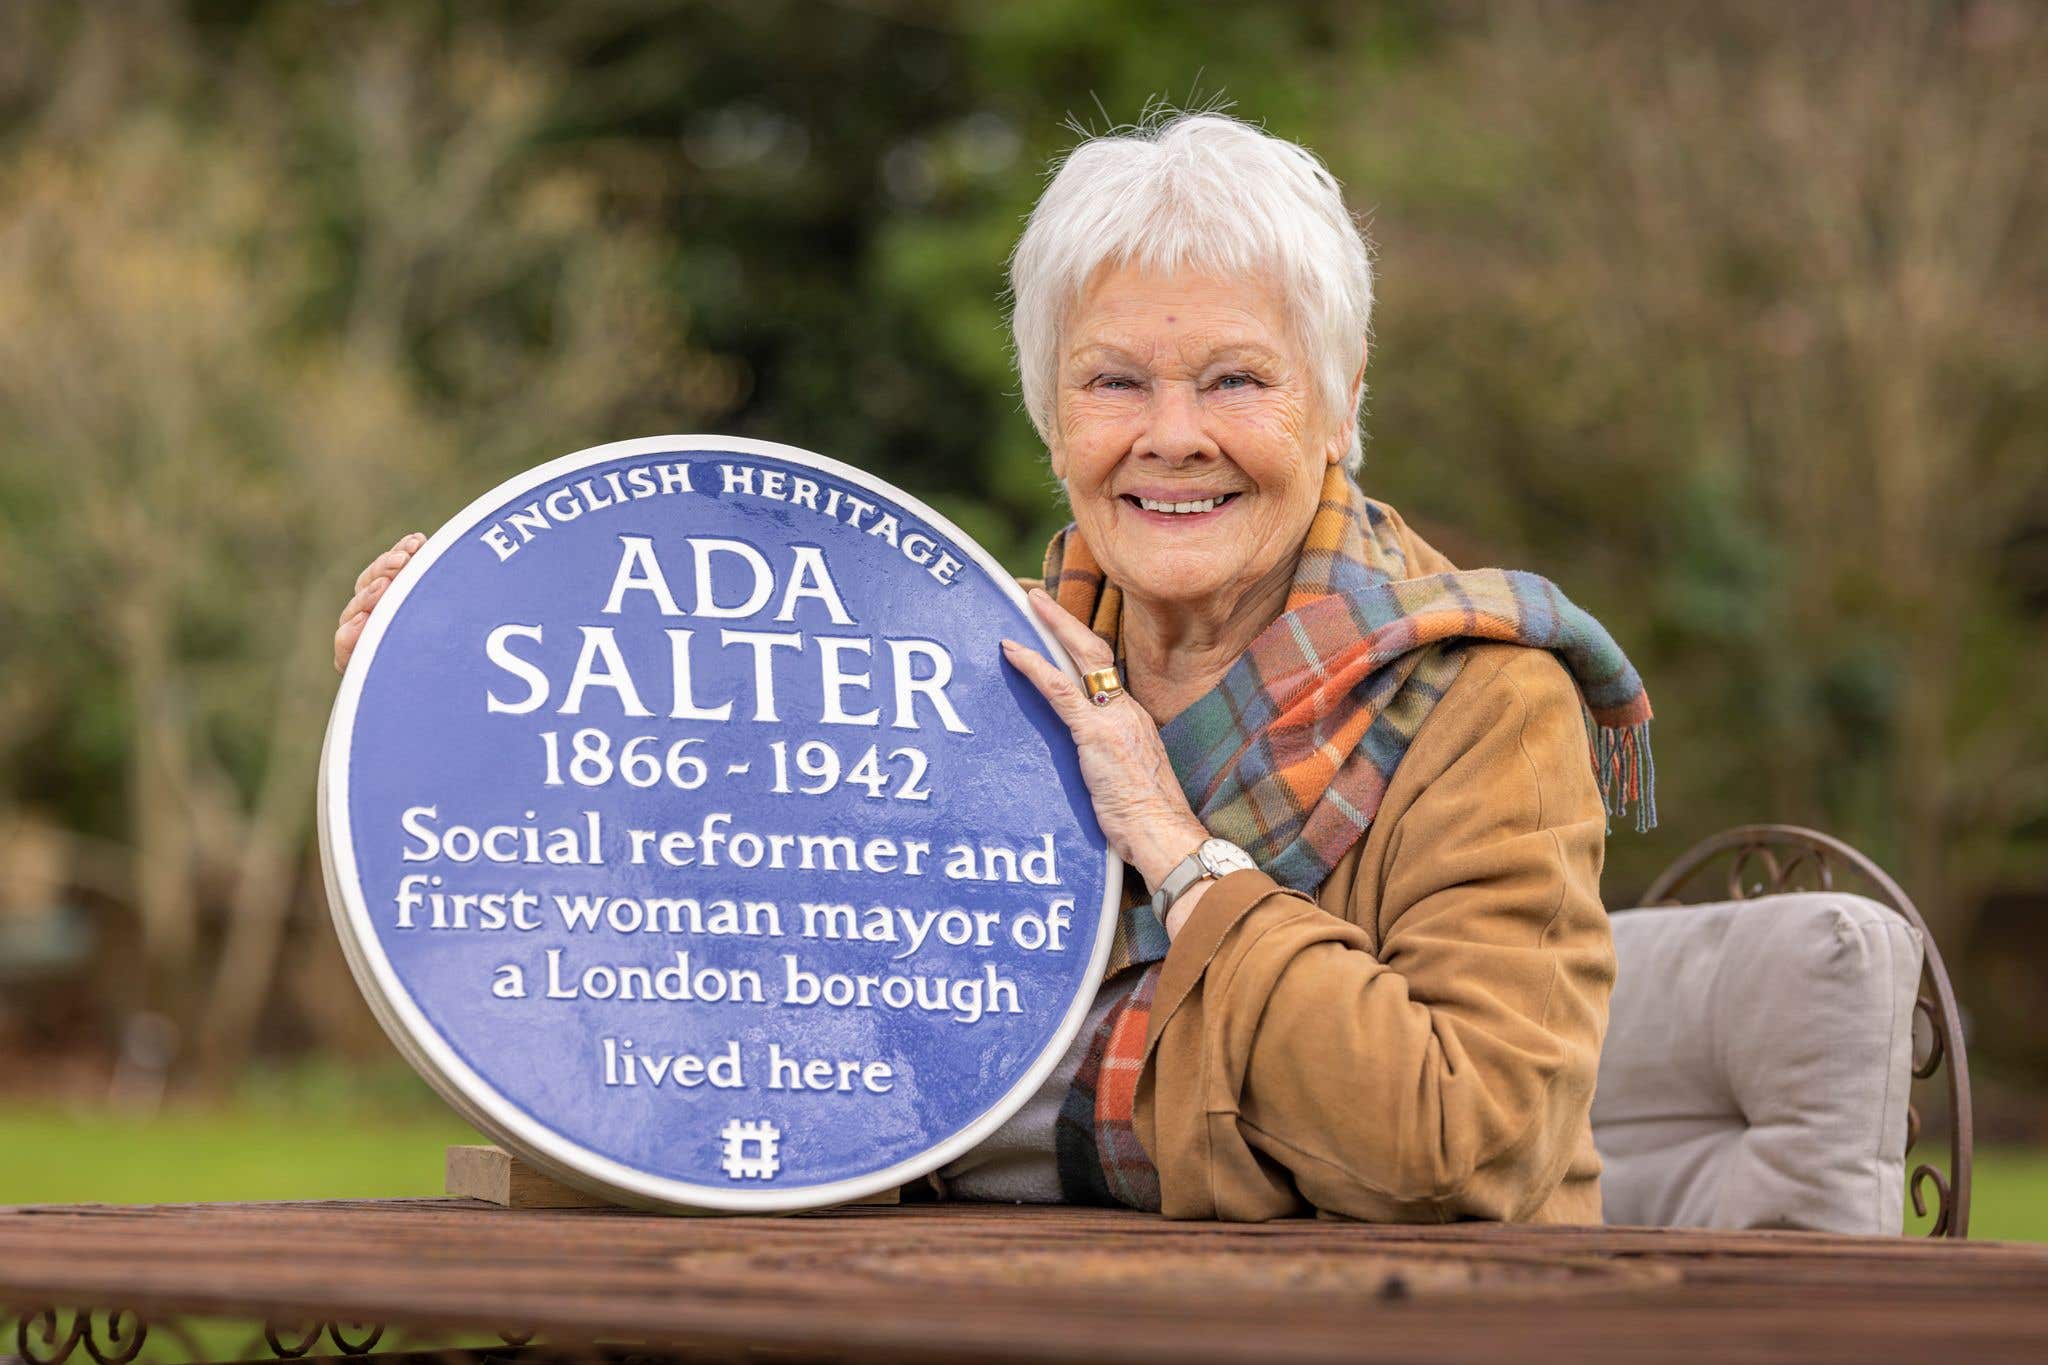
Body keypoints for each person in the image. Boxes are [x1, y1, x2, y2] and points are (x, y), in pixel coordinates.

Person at [334, 112, 1654, 1224]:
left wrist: (1177, 850)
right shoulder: (960, 676)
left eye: (1237, 379)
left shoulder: (1485, 705)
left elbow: (1462, 1144)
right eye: (1115, 381)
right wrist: (448, 673)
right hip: (980, 1307)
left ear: (1341, 396)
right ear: (1051, 414)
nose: (1173, 436)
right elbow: (719, 983)